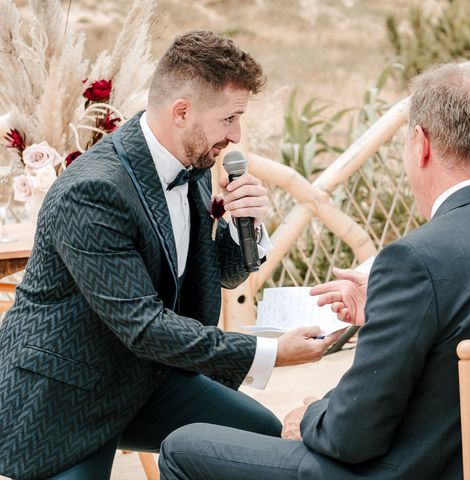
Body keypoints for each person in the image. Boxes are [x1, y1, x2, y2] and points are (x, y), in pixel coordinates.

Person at [158, 64, 470, 479]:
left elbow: (354, 437)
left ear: (420, 144)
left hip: (418, 469)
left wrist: (310, 415)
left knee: (183, 447)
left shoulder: (415, 260)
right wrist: (386, 312)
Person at [0, 31, 341, 480]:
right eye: (229, 119)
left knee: (259, 436)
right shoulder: (92, 191)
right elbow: (144, 327)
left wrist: (246, 226)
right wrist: (272, 352)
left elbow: (212, 273)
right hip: (66, 393)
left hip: (146, 378)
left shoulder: (192, 161)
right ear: (182, 111)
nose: (236, 135)